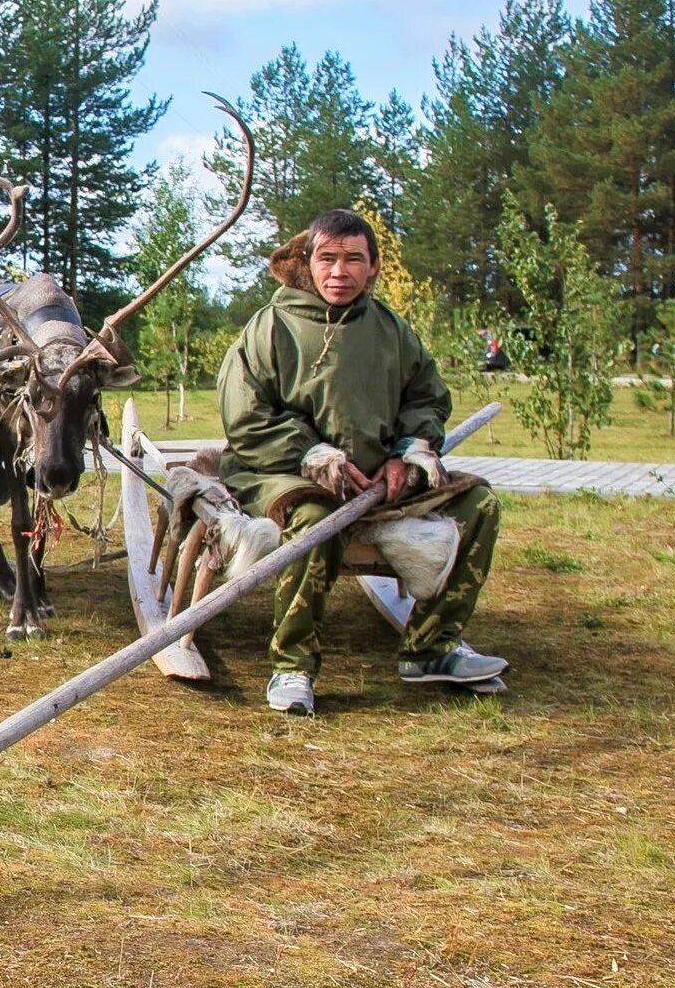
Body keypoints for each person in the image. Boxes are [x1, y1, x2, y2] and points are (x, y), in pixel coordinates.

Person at [215, 209, 506, 715]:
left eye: (354, 260)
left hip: (379, 481)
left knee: (479, 504)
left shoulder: (392, 329)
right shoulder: (270, 326)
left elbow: (427, 398)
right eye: (327, 258)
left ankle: (432, 645)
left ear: (372, 268)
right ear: (308, 261)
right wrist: (313, 454)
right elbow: (245, 417)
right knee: (314, 518)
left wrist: (410, 452)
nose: (339, 272)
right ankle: (293, 665)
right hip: (280, 472)